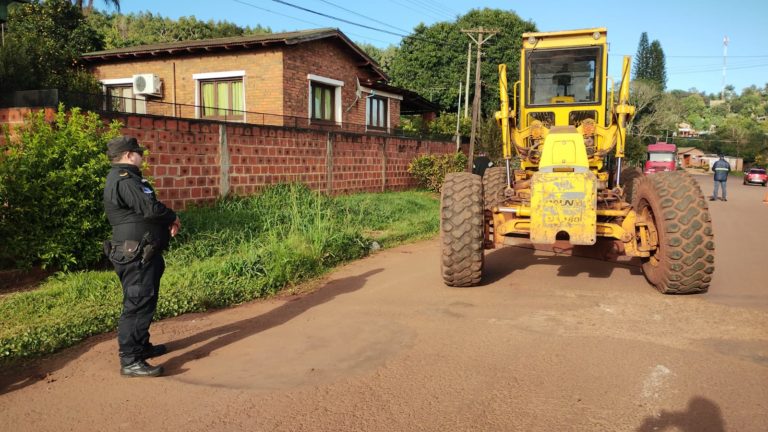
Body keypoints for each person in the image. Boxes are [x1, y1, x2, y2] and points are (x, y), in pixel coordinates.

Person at [103, 136, 181, 377]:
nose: (142, 156)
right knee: (137, 303)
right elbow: (149, 208)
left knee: (144, 299)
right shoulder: (125, 180)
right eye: (138, 153)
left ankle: (141, 347)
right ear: (128, 155)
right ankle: (131, 360)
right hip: (135, 253)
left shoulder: (129, 178)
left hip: (141, 252)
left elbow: (146, 209)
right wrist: (172, 217)